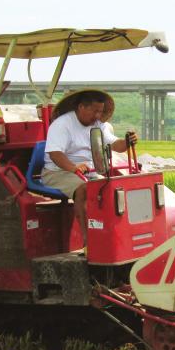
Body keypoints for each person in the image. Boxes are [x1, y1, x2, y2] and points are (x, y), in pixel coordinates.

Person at [41, 89, 138, 245]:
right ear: (81, 107)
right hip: (58, 171)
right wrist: (74, 168)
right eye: (94, 111)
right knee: (85, 189)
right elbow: (55, 154)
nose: (98, 116)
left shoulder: (99, 125)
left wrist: (127, 141)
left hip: (88, 171)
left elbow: (115, 145)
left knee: (108, 189)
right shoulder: (62, 124)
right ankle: (88, 242)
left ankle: (112, 237)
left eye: (100, 111)